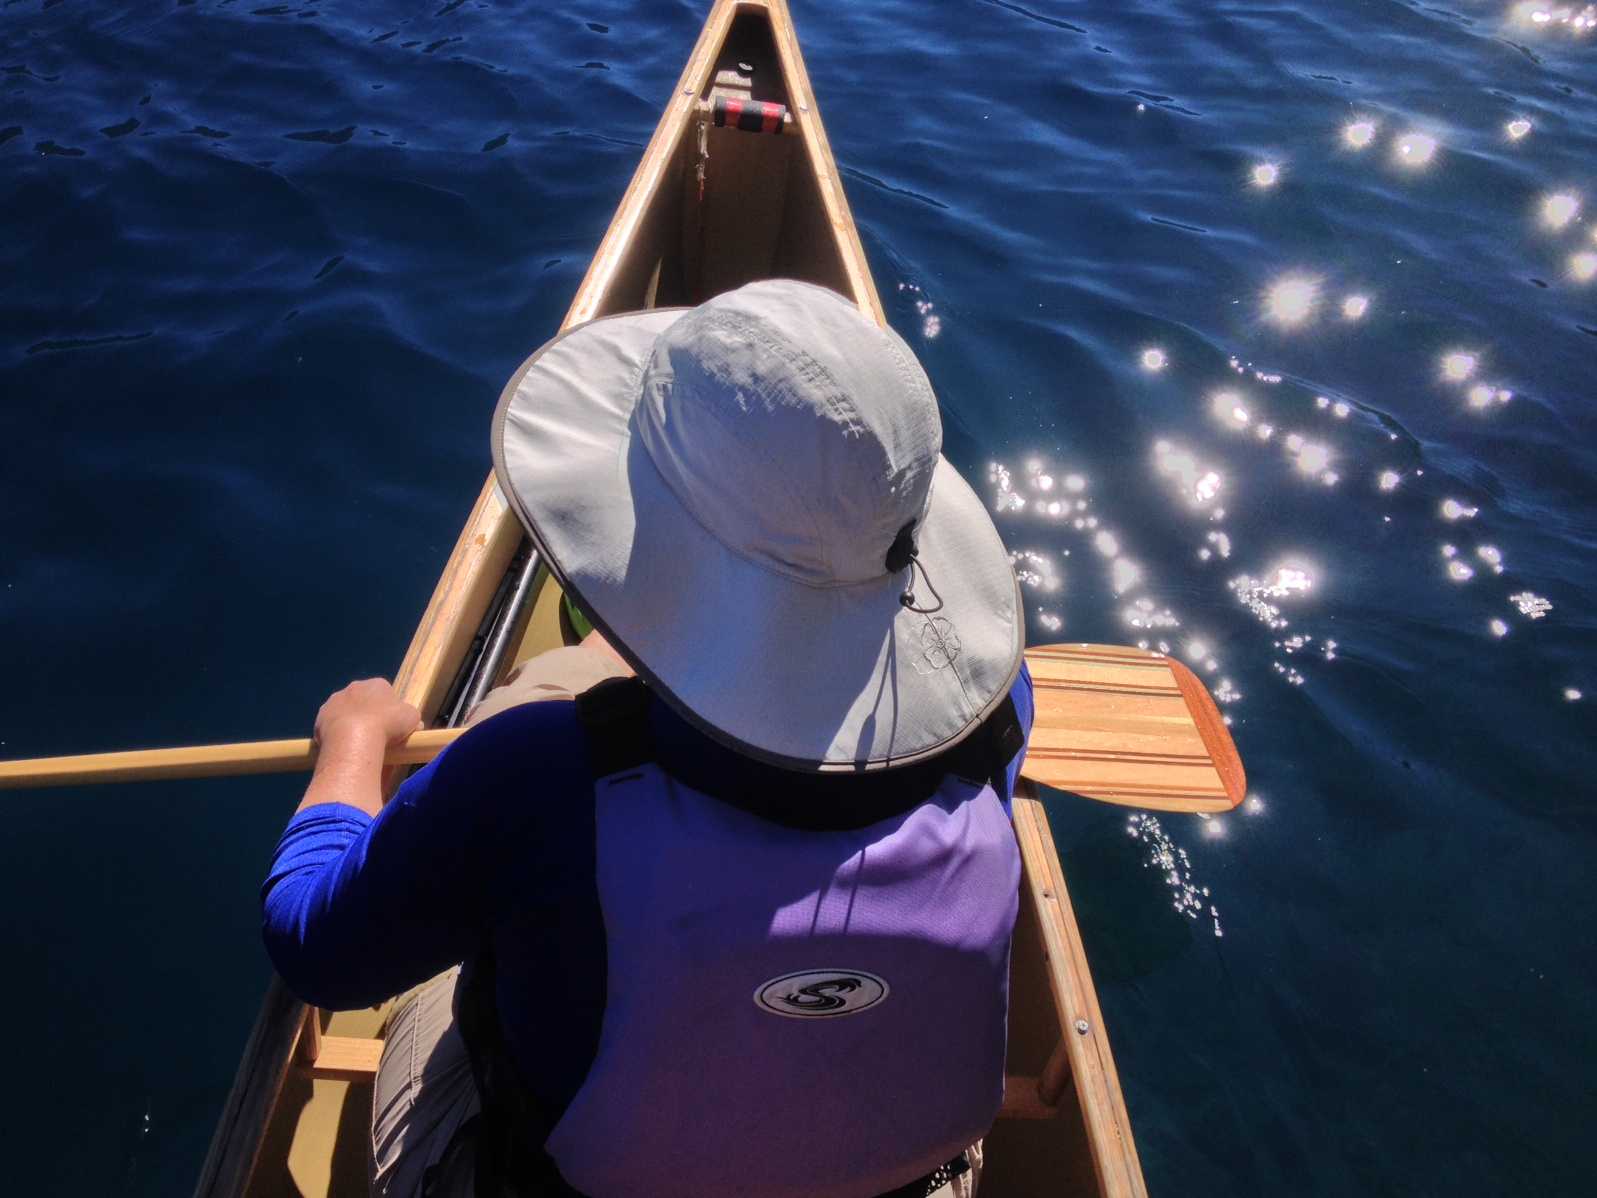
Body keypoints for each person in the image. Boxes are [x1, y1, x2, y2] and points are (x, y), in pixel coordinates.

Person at [263, 279, 1033, 1198]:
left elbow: (314, 948)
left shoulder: (533, 781)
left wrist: (350, 746)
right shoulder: (997, 716)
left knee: (436, 978)